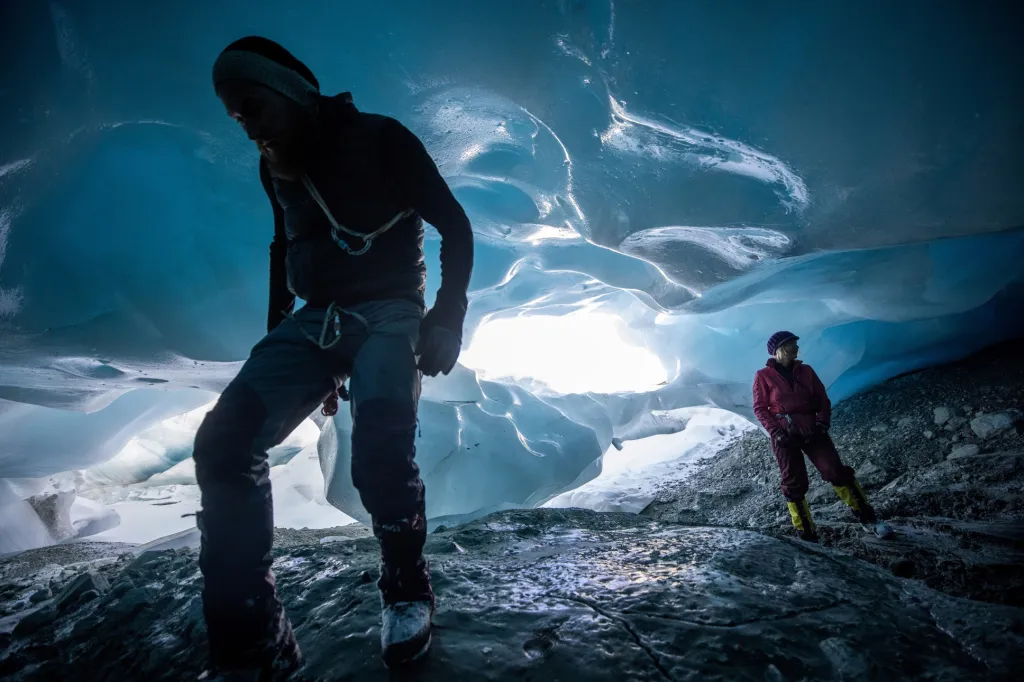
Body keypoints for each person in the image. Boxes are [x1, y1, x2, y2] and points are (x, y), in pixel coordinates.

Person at [193, 36, 474, 679]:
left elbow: (453, 224)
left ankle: (406, 588)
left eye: (254, 108)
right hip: (314, 318)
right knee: (224, 443)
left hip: (390, 310)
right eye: (236, 116)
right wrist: (278, 338)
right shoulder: (273, 164)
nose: (248, 128)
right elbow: (283, 245)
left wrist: (447, 315)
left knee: (380, 448)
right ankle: (253, 639)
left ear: (291, 91)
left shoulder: (382, 138)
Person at [752, 331, 892, 543]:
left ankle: (869, 519)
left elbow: (822, 399)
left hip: (812, 429)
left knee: (836, 471)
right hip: (784, 435)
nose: (796, 348)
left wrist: (822, 423)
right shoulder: (763, 375)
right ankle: (806, 534)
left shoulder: (806, 371)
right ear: (779, 349)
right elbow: (760, 408)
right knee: (793, 483)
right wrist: (776, 433)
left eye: (796, 344)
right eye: (792, 344)